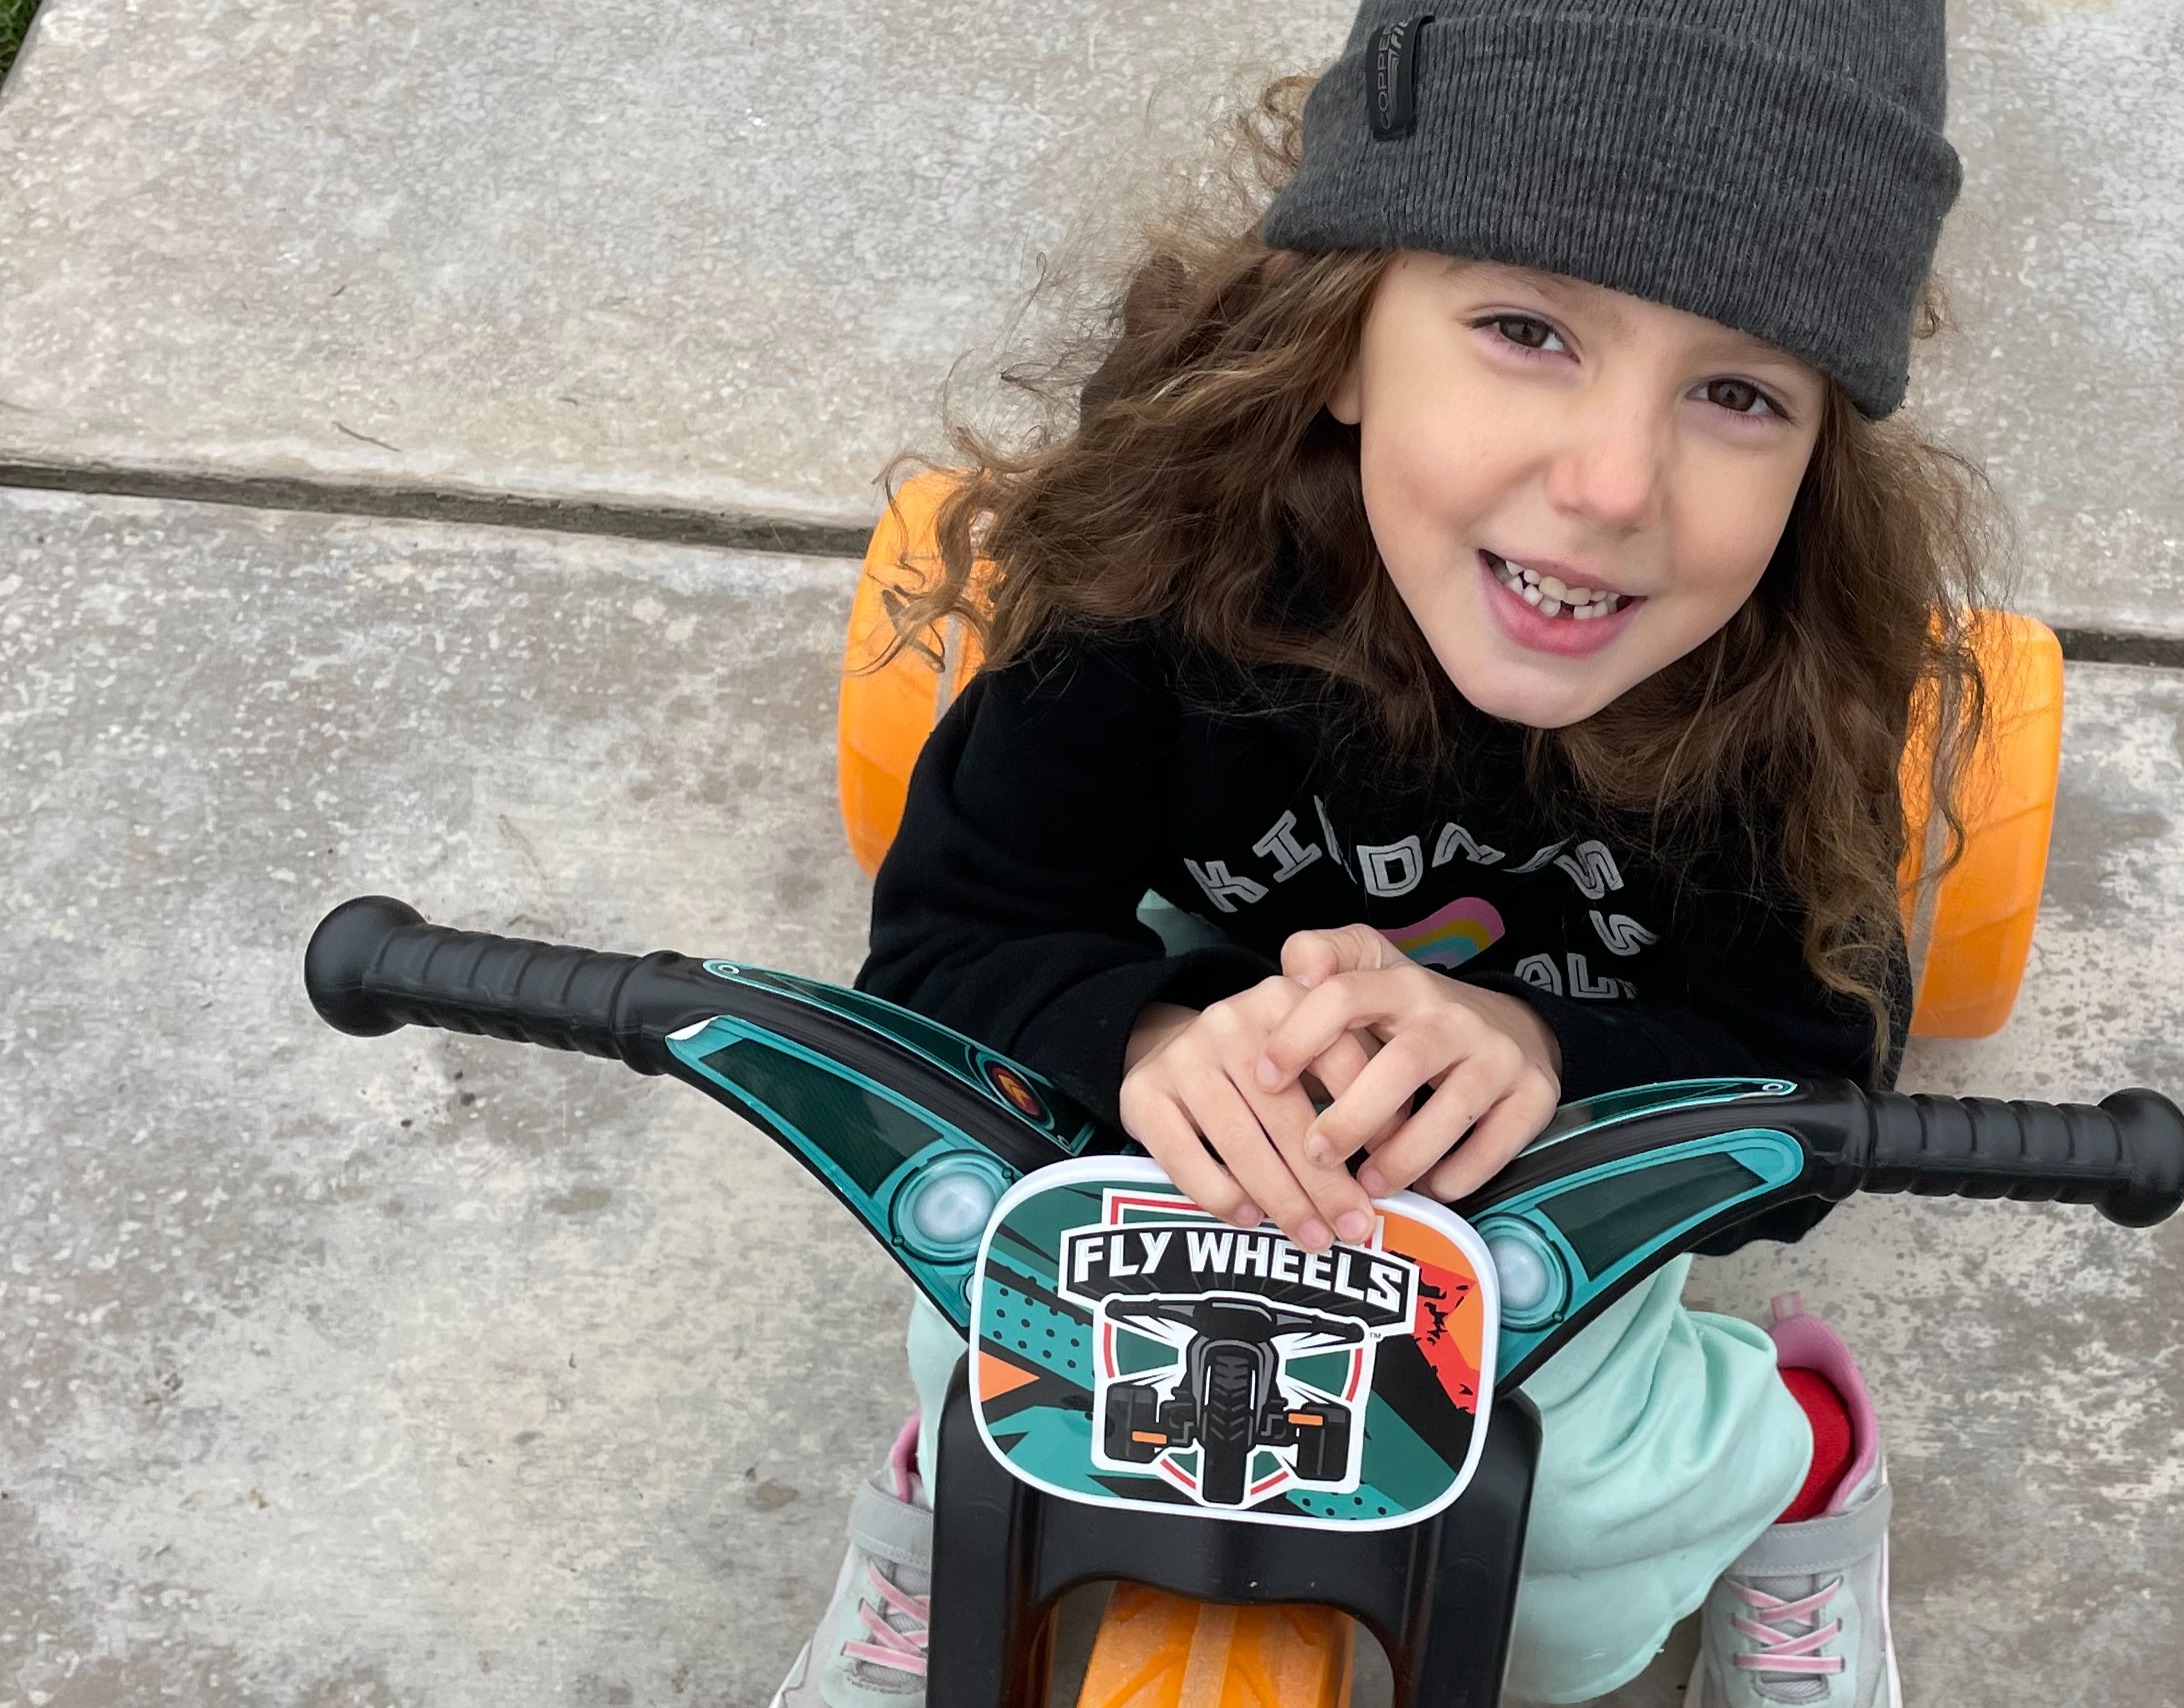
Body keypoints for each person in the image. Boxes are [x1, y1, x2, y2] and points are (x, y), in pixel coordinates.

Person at [777, 2, 1983, 1702]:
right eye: (1525, 329)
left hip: (1530, 1182)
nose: (1612, 484)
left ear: (1816, 454)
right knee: (979, 1330)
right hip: (1199, 1119)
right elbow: (943, 948)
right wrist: (1147, 1041)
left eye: (1737, 391)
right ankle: (944, 1495)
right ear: (1341, 334)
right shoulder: (1156, 583)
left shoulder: (1765, 698)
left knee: (1570, 1548)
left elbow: (1819, 1075)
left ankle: (1797, 1459)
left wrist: (1545, 1056)